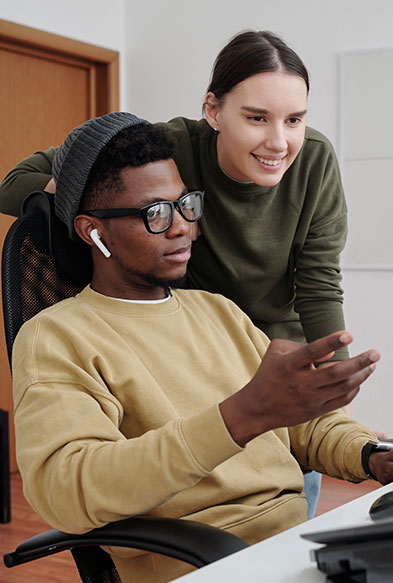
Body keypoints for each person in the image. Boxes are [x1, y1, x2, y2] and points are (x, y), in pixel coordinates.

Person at [12, 113, 393, 583]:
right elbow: (70, 490)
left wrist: (373, 456)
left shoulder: (218, 311)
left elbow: (301, 427)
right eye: (155, 214)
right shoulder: (56, 337)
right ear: (91, 231)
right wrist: (238, 418)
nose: (183, 229)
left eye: (186, 205)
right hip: (202, 574)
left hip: (296, 550)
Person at [0, 30, 357, 517]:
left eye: (294, 119)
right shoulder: (167, 149)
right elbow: (74, 486)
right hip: (178, 359)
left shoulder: (310, 162)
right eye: (256, 118)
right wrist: (86, 198)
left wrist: (352, 422)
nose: (279, 140)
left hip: (249, 343)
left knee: (289, 500)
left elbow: (318, 284)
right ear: (214, 112)